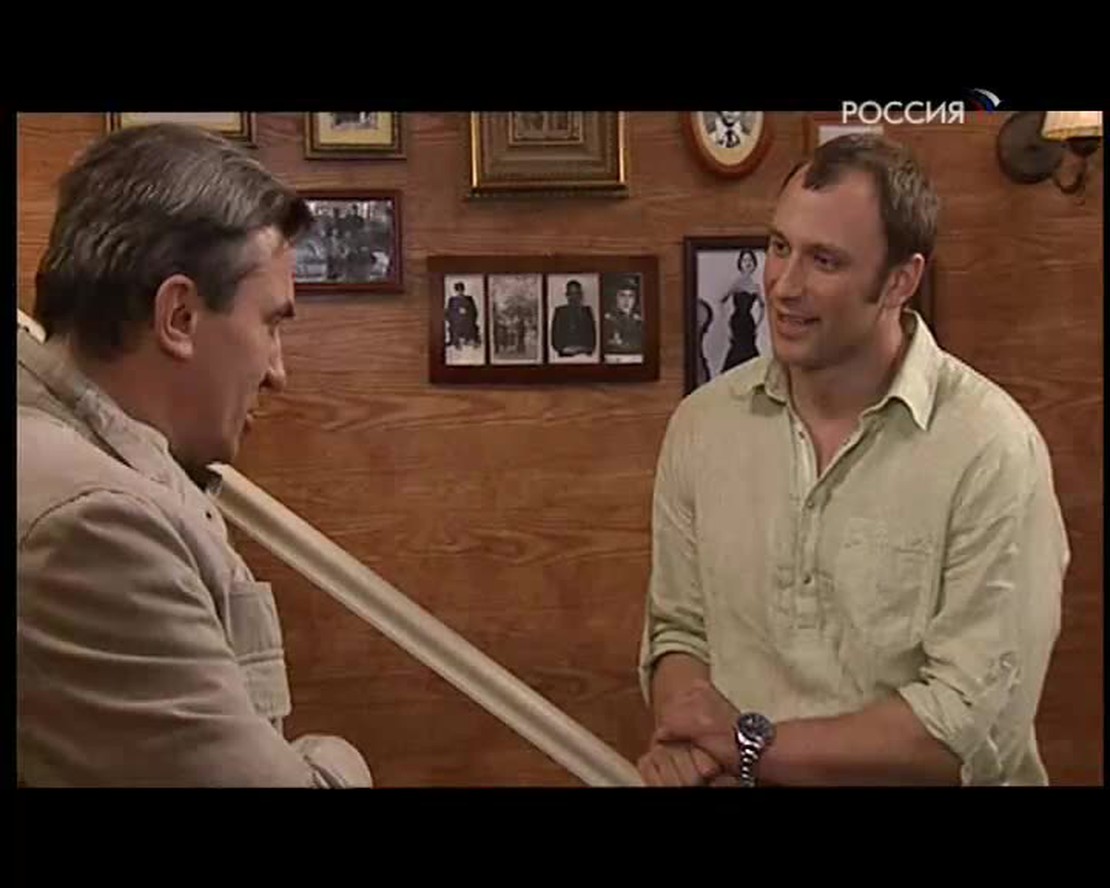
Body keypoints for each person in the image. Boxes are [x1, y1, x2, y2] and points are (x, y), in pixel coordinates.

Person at [637, 134, 1069, 787]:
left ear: (901, 280)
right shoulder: (704, 427)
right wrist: (691, 738)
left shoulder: (991, 450)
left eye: (825, 261)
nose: (784, 286)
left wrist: (748, 746)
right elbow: (677, 631)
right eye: (779, 247)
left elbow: (969, 728)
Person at [17, 122, 373, 787]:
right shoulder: (92, 525)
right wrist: (340, 760)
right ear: (178, 316)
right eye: (270, 323)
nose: (277, 372)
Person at [719, 249, 766, 372]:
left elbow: (763, 306)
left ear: (754, 264)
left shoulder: (755, 286)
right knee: (737, 350)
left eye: (750, 260)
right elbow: (721, 301)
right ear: (740, 264)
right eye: (745, 260)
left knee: (750, 351)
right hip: (737, 322)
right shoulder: (737, 282)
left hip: (749, 323)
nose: (748, 263)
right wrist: (726, 325)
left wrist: (758, 325)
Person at [550, 279, 597, 357]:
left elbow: (592, 339)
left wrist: (582, 349)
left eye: (577, 293)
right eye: (571, 294)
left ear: (581, 295)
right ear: (567, 295)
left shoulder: (587, 311)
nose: (574, 297)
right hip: (565, 356)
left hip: (584, 356)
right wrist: (564, 349)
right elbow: (555, 339)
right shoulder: (560, 312)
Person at [603, 279, 644, 355]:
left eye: (631, 296)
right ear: (616, 297)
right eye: (622, 295)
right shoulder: (608, 320)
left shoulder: (638, 321)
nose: (626, 300)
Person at [446, 281, 481, 348]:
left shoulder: (469, 299)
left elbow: (473, 311)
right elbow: (449, 312)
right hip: (457, 320)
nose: (460, 292)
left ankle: (470, 340)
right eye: (458, 290)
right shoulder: (452, 300)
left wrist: (466, 312)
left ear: (463, 290)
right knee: (454, 327)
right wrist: (457, 313)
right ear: (456, 291)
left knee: (470, 326)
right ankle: (456, 341)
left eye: (461, 290)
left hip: (467, 319)